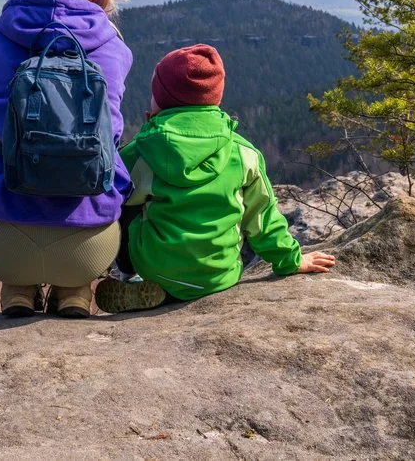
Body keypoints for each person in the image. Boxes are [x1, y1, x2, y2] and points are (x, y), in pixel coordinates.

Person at [95, 44, 336, 314]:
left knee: (125, 203)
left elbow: (111, 201)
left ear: (160, 99)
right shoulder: (243, 153)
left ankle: (132, 278)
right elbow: (263, 219)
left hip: (157, 268)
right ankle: (184, 285)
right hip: (221, 277)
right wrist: (292, 261)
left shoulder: (141, 152)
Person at [0, 0, 133, 318]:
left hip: (2, 244)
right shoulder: (113, 48)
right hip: (88, 247)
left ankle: (17, 288)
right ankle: (75, 289)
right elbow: (109, 135)